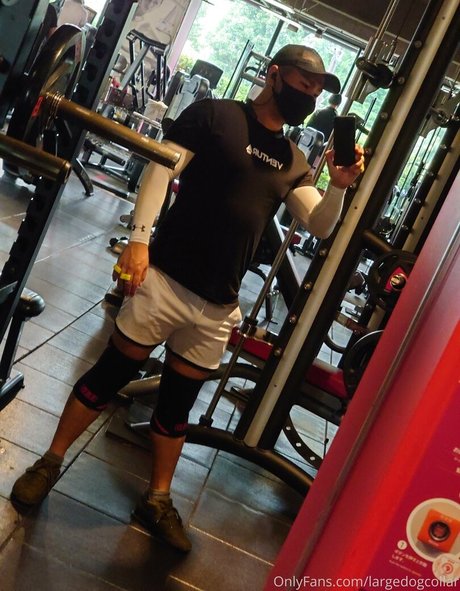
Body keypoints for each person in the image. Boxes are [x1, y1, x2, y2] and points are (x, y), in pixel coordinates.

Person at [11, 45, 364, 553]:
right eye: (303, 84)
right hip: (167, 279)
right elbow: (161, 170)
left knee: (178, 406)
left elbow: (320, 225)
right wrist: (138, 239)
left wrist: (340, 187)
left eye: (316, 91)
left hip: (217, 304)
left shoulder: (294, 160)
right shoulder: (215, 116)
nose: (309, 96)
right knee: (111, 373)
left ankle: (156, 498)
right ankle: (50, 462)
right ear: (275, 75)